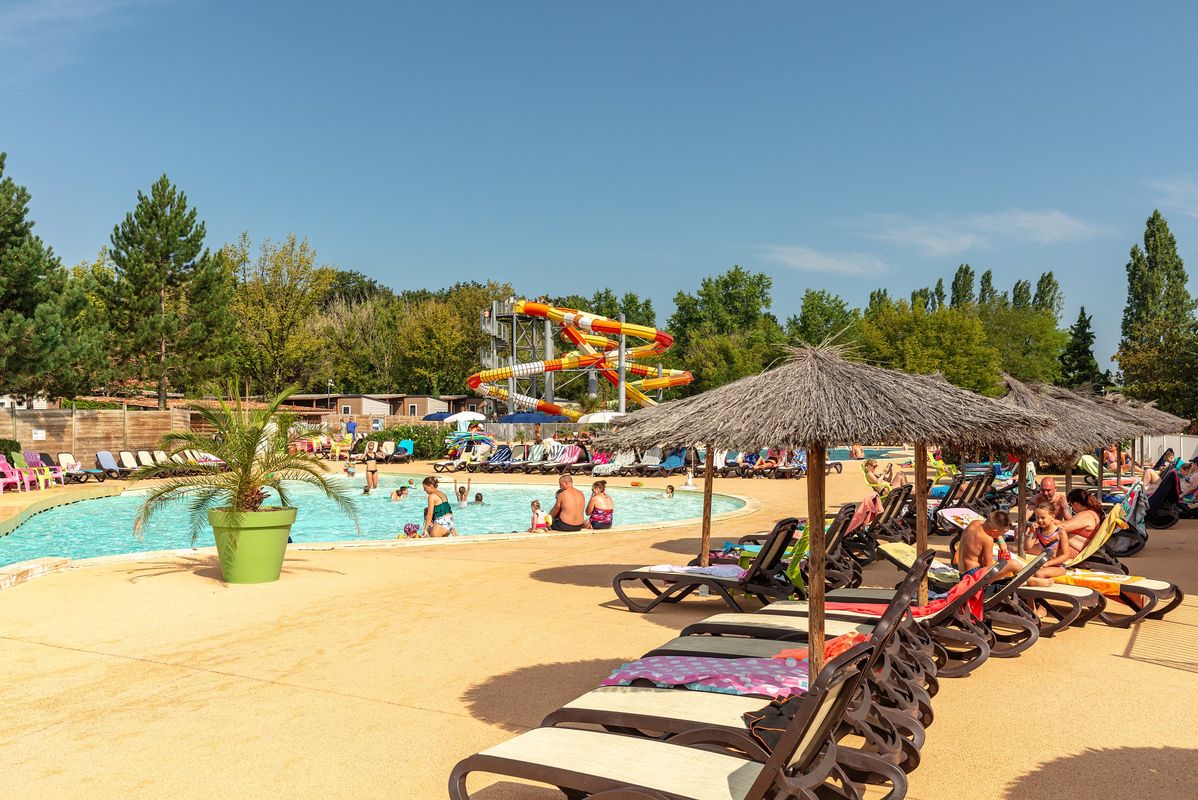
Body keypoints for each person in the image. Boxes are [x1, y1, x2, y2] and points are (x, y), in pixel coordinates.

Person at [957, 509, 1020, 579]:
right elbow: (988, 567)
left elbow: (991, 525)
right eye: (1002, 533)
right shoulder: (987, 539)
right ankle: (1027, 581)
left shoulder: (974, 523)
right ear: (994, 531)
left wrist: (1001, 541)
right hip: (974, 574)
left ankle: (1029, 579)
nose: (1002, 535)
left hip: (962, 572)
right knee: (1014, 565)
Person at [1022, 502, 1073, 586]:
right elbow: (1026, 548)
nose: (1039, 520)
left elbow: (1065, 556)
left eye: (1043, 517)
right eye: (1037, 517)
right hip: (1042, 564)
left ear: (1052, 517)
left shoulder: (1060, 532)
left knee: (1039, 574)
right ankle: (1030, 599)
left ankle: (1039, 596)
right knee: (1024, 573)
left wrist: (1047, 564)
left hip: (1058, 567)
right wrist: (1031, 532)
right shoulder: (1038, 531)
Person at [1059, 489, 1105, 556]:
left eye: (1070, 504)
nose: (1071, 507)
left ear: (1076, 504)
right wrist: (1063, 509)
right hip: (1074, 549)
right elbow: (1072, 522)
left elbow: (1061, 527)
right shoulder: (1091, 514)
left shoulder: (1085, 515)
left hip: (1069, 551)